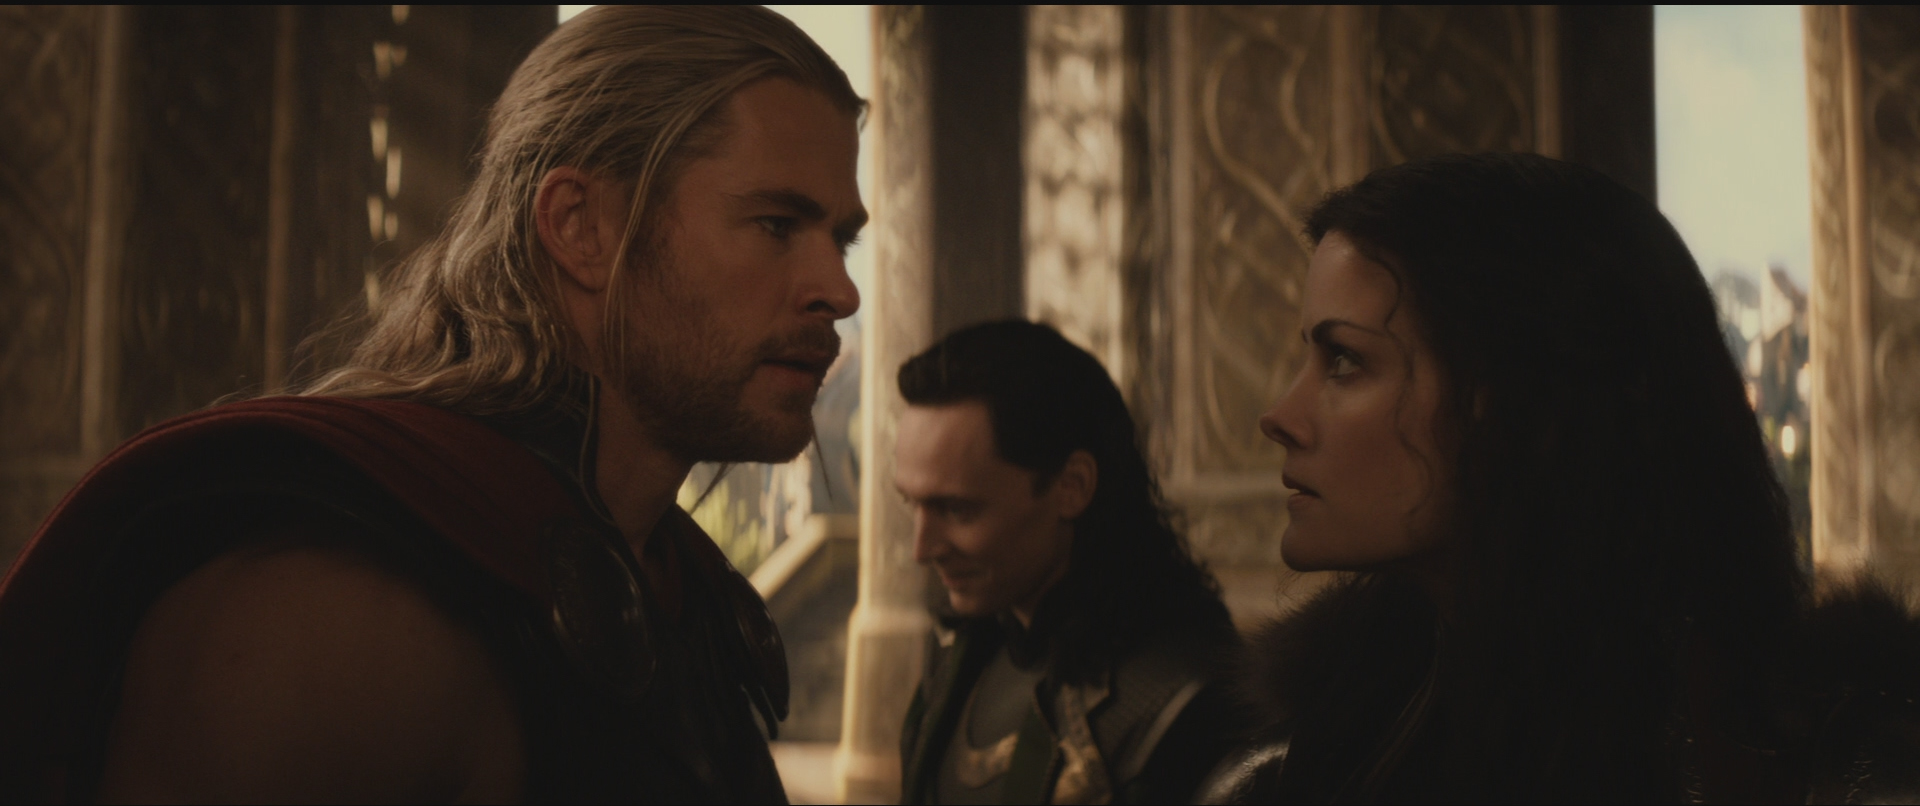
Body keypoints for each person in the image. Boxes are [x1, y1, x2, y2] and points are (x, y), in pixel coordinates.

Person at [0, 6, 866, 802]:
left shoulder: (677, 586)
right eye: (777, 225)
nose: (839, 290)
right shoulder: (341, 619)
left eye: (842, 238)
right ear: (581, 227)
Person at [1199, 152, 1920, 803]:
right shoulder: (1296, 772)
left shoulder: (1849, 775)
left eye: (1345, 361)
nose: (1280, 416)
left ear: (1518, 405)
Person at [892, 320, 1244, 805]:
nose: (922, 548)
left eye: (957, 510)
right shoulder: (963, 658)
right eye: (912, 503)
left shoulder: (1178, 704)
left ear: (1072, 486)